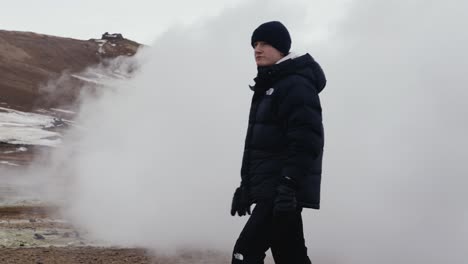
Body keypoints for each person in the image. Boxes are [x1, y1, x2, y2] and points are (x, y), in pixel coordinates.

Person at [230, 21, 326, 264]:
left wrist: (288, 185)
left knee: (245, 255)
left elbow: (307, 141)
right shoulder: (271, 85)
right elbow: (260, 146)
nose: (257, 49)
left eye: (264, 43)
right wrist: (246, 187)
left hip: (281, 190)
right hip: (275, 190)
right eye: (254, 44)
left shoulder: (295, 85)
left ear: (282, 49)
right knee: (290, 257)